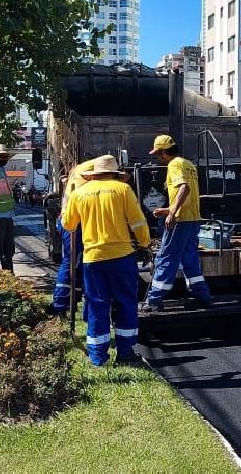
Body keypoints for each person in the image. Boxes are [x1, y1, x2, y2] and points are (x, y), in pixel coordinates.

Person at [61, 155, 151, 366]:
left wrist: (67, 204)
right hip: (121, 257)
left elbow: (68, 224)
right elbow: (138, 222)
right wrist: (145, 243)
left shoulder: (80, 193)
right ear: (114, 173)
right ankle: (126, 352)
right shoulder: (122, 190)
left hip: (93, 258)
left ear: (93, 174)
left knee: (97, 305)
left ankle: (97, 356)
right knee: (126, 302)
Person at [142, 135, 213, 312]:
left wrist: (172, 213)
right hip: (193, 219)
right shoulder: (188, 164)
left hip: (180, 221)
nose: (159, 158)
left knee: (166, 256)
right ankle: (203, 296)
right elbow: (188, 196)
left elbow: (184, 188)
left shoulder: (174, 165)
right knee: (189, 259)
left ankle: (154, 300)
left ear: (164, 152)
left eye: (158, 154)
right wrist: (168, 209)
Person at [51, 157, 98, 317]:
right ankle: (60, 303)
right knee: (72, 263)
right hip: (74, 224)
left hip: (73, 222)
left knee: (79, 264)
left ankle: (73, 302)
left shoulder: (78, 171)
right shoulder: (87, 173)